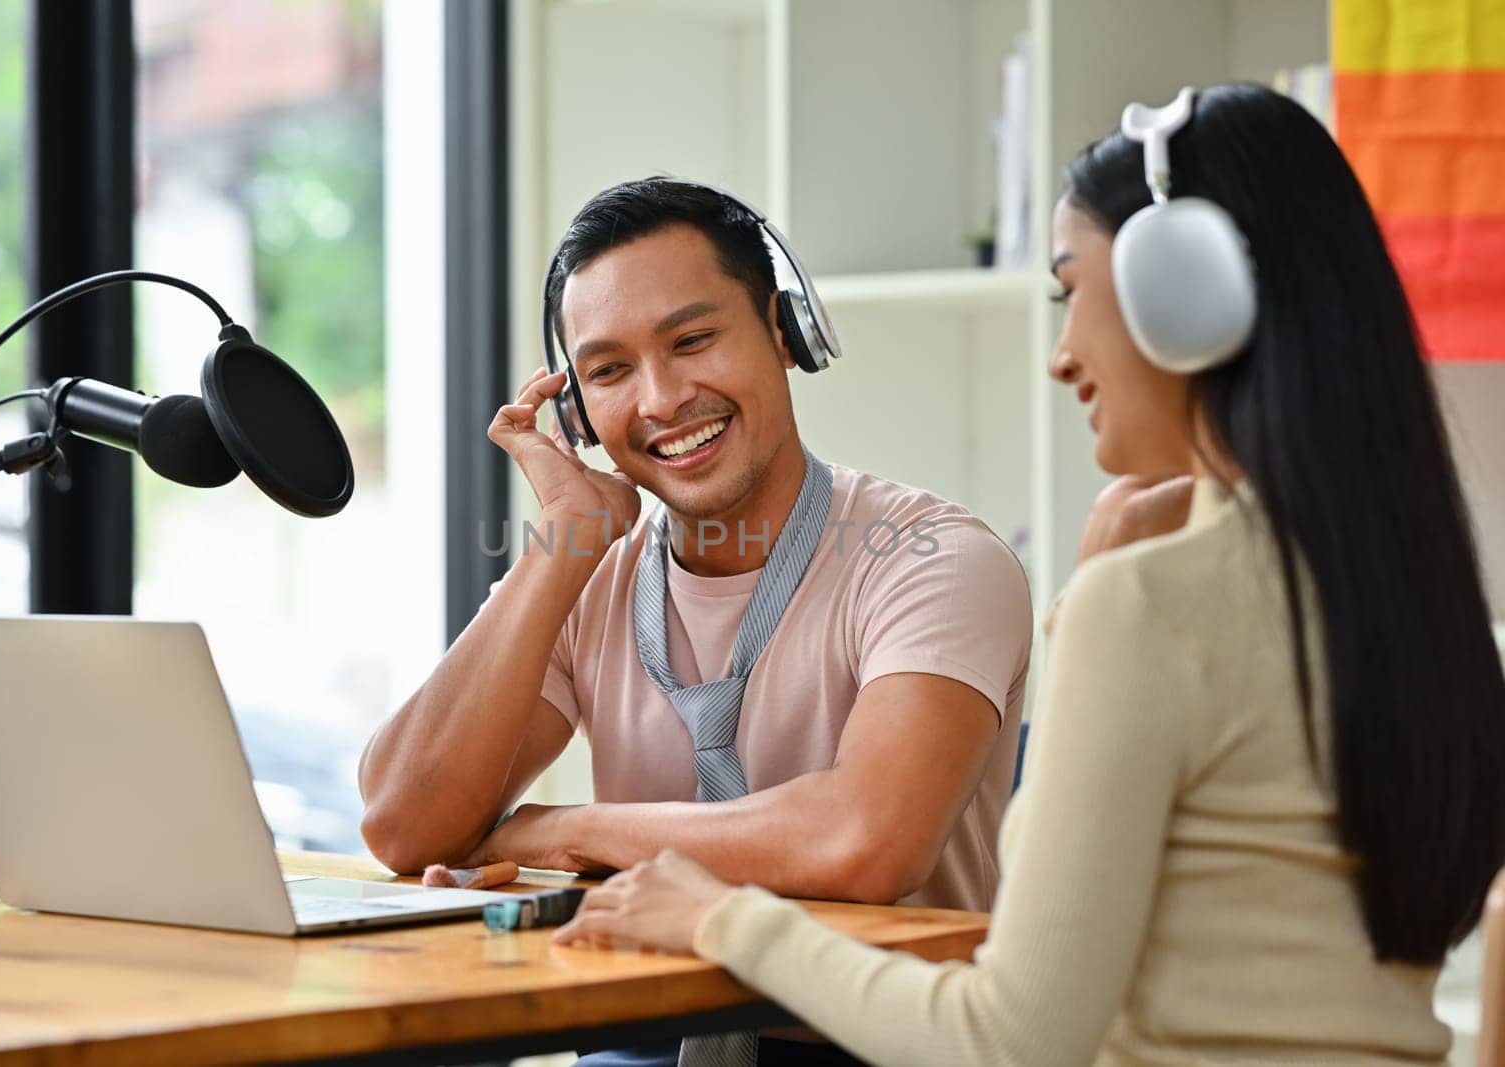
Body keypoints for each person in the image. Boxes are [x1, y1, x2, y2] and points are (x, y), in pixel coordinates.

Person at [552, 84, 1505, 1065]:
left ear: (1185, 297)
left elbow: (1008, 1039)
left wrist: (719, 916)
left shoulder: (1148, 605)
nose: (1059, 355)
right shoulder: (1415, 601)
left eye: (1067, 291)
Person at [357, 179, 1032, 1064]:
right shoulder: (588, 576)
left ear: (786, 334)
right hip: (637, 1036)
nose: (662, 398)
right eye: (608, 371)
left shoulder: (932, 558)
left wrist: (561, 831)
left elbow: (866, 839)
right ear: (577, 415)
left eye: (693, 340)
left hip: (877, 1038)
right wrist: (557, 549)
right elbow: (404, 821)